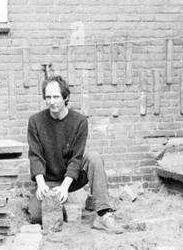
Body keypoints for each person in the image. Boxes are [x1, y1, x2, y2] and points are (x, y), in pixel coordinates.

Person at [26, 76, 125, 233]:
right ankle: (66, 207)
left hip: (73, 178)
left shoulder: (79, 121)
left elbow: (76, 158)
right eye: (48, 97)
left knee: (94, 157)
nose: (52, 102)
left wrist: (65, 187)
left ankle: (103, 214)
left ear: (66, 97)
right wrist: (41, 184)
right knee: (36, 216)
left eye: (56, 97)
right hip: (50, 180)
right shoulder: (35, 122)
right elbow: (35, 155)